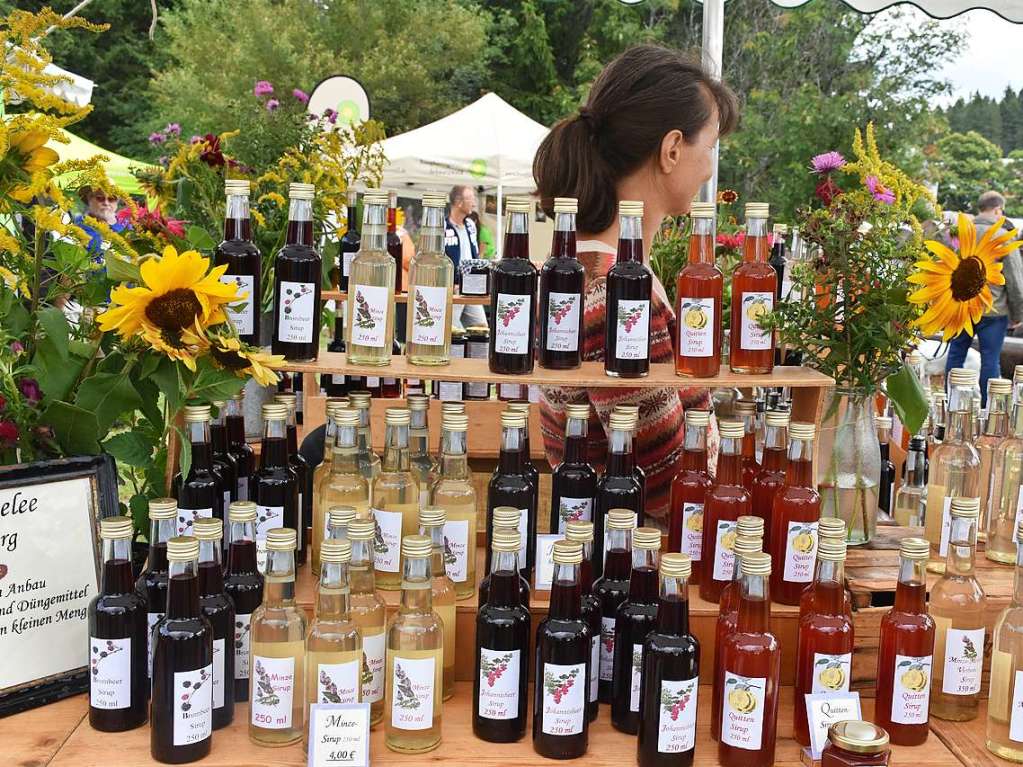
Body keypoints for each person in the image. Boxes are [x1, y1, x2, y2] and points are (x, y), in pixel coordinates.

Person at [533, 44, 738, 526]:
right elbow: (664, 481)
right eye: (708, 147)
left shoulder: (583, 267)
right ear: (671, 150)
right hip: (632, 572)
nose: (709, 167)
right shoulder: (610, 290)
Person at [946, 190, 1023, 406]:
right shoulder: (1003, 235)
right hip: (993, 310)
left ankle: (949, 403)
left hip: (961, 307)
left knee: (955, 356)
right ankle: (986, 411)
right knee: (990, 360)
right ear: (998, 209)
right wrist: (1018, 314)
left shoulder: (960, 232)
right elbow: (1015, 279)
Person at [445, 184, 487, 329]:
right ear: (459, 202)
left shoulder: (470, 225)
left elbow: (473, 253)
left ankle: (478, 351)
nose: (474, 203)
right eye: (470, 199)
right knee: (453, 329)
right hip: (454, 287)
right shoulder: (443, 227)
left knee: (481, 327)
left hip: (471, 286)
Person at [73, 185, 127, 255]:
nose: (106, 203)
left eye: (111, 199)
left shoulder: (126, 225)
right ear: (89, 199)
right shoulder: (76, 226)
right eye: (100, 198)